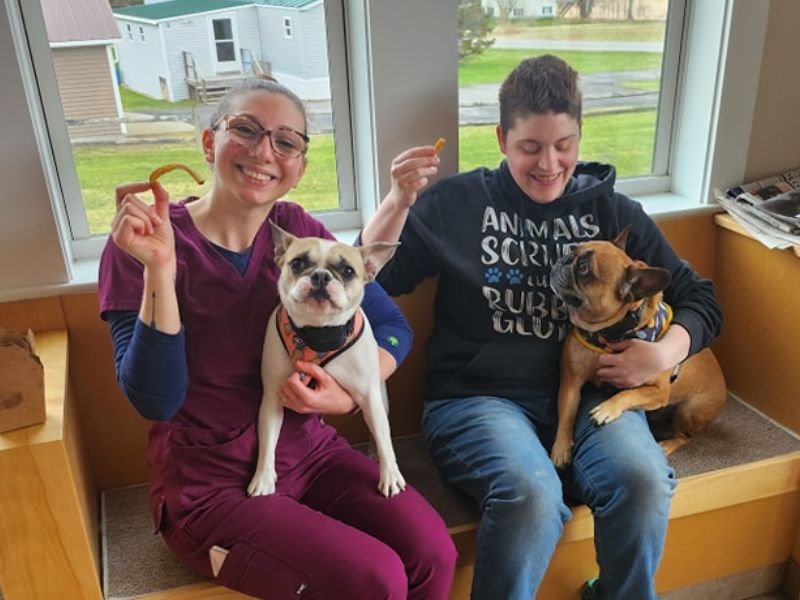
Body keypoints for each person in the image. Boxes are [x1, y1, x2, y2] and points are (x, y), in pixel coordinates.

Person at [360, 55, 723, 600]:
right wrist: (396, 203)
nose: (549, 164)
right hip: (476, 399)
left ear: (579, 137)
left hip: (595, 397)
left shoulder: (611, 210)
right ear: (502, 137)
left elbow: (701, 300)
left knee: (643, 482)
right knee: (530, 496)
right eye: (530, 146)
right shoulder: (457, 202)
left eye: (564, 145)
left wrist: (664, 353)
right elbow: (369, 279)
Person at [98, 78, 456, 600]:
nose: (264, 150)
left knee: (433, 553)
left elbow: (392, 329)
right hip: (209, 487)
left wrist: (350, 392)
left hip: (309, 453)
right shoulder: (147, 241)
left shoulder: (296, 231)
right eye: (245, 129)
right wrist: (160, 270)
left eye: (286, 141)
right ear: (208, 142)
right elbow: (155, 399)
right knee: (376, 578)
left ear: (299, 166)